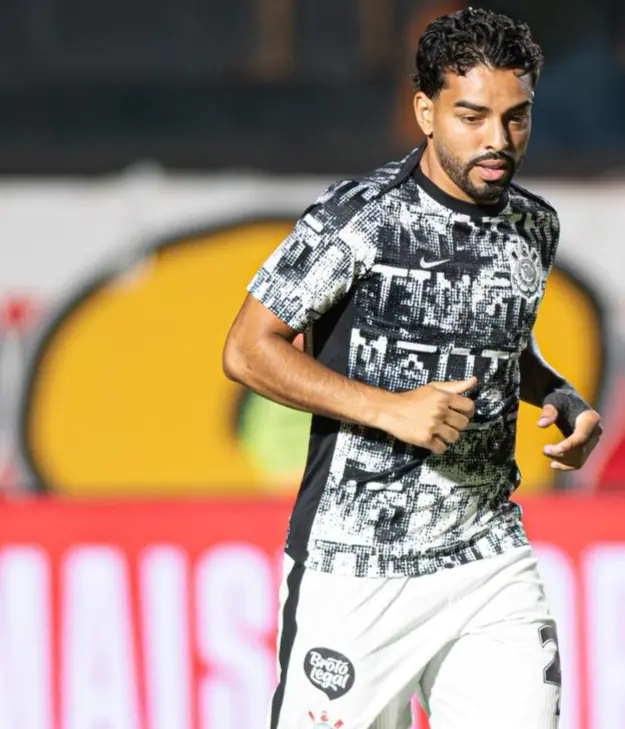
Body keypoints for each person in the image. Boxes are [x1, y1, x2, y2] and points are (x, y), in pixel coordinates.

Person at [222, 7, 602, 729]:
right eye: (472, 116)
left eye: (516, 117)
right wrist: (388, 408)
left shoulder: (532, 225)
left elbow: (503, 343)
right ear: (426, 112)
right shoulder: (358, 217)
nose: (497, 140)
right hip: (356, 568)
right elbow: (247, 349)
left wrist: (558, 393)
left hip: (487, 557)